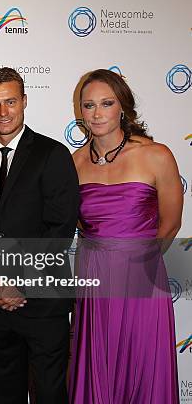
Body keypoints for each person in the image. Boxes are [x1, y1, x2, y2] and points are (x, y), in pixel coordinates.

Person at [68, 69, 181, 403]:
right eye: (89, 105)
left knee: (142, 367)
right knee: (97, 366)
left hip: (142, 282)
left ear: (123, 108)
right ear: (81, 112)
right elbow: (75, 224)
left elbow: (171, 224)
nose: (97, 113)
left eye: (106, 103)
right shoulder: (74, 163)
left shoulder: (155, 155)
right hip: (94, 280)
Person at [0, 67, 79, 404]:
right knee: (3, 395)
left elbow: (61, 230)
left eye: (10, 102)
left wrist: (20, 284)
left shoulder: (52, 154)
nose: (3, 112)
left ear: (24, 102)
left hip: (43, 304)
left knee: (49, 394)